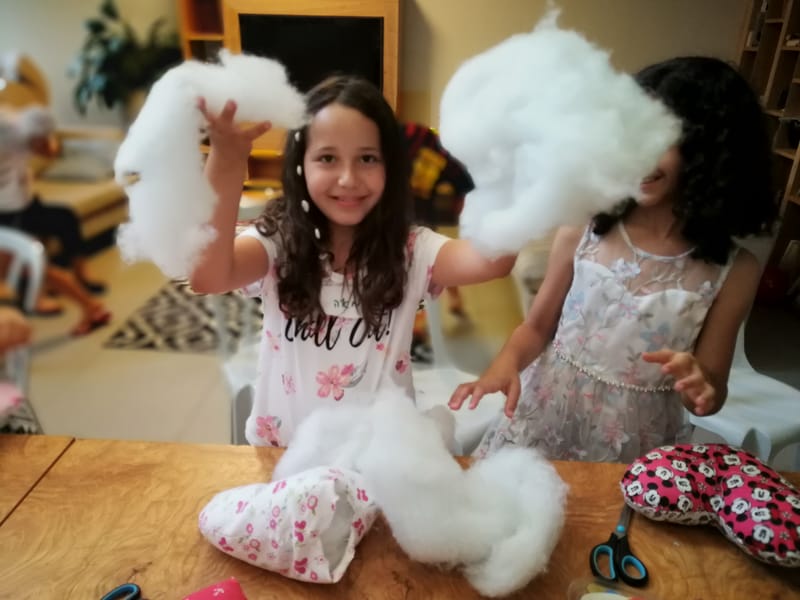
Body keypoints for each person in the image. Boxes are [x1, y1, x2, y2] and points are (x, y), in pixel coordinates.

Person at [448, 56, 777, 463]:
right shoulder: (583, 228)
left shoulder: (734, 271)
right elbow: (536, 327)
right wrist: (505, 364)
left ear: (712, 155)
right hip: (545, 415)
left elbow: (709, 392)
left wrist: (702, 389)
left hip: (636, 441)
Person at [190, 75, 515, 447]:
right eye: (328, 158)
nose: (348, 178)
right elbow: (207, 276)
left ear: (390, 168)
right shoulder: (278, 240)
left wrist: (505, 169)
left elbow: (492, 261)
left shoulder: (410, 249)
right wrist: (226, 161)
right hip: (285, 453)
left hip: (380, 455)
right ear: (300, 164)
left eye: (367, 159)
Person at [0, 105, 111, 335]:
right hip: (12, 204)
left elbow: (48, 147)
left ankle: (91, 307)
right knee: (24, 265)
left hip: (12, 207)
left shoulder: (16, 126)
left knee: (30, 265)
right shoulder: (11, 128)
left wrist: (45, 144)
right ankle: (89, 307)